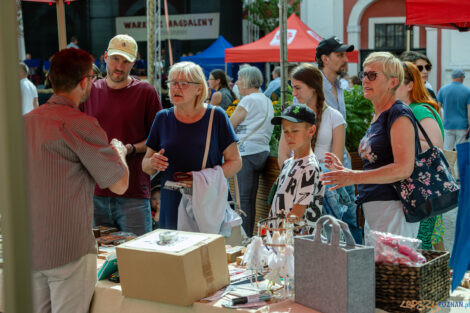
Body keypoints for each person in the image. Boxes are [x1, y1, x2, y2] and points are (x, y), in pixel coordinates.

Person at [24, 48, 129, 313]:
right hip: (68, 248)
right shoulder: (79, 124)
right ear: (84, 82)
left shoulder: (23, 124)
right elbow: (119, 184)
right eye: (92, 78)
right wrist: (120, 152)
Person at [321, 52, 419, 239]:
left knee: (391, 266)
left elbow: (404, 168)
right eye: (363, 74)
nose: (365, 80)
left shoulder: (398, 113)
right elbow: (378, 163)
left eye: (372, 75)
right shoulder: (380, 114)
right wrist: (343, 171)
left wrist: (353, 176)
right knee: (377, 265)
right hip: (376, 205)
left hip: (394, 205)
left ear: (392, 82)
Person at [142, 61, 242, 229]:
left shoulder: (215, 116)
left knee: (207, 253)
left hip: (207, 202)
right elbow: (146, 165)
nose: (175, 88)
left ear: (199, 88)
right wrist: (152, 163)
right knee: (174, 253)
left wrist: (202, 180)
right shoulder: (163, 118)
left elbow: (236, 162)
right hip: (171, 203)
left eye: (183, 83)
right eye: (172, 83)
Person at [82, 34, 162, 236]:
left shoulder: (146, 92)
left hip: (133, 192)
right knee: (100, 259)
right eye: (116, 59)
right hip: (95, 192)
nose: (119, 66)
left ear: (134, 62)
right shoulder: (88, 91)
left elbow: (157, 138)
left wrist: (131, 149)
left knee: (138, 258)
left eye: (126, 61)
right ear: (105, 57)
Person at [276, 63, 361, 242]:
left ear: (314, 87)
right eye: (293, 88)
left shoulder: (334, 117)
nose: (294, 93)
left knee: (325, 242)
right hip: (294, 186)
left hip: (325, 191)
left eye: (298, 88)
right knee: (292, 239)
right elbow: (283, 156)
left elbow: (335, 161)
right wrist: (292, 177)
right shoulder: (290, 116)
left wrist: (312, 180)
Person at [396, 61, 445, 250]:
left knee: (420, 247)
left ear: (410, 85)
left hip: (423, 190)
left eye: (396, 81)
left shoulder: (419, 109)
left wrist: (398, 144)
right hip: (417, 189)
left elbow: (435, 145)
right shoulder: (404, 109)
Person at [229, 66, 274, 237]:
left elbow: (229, 125)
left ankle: (244, 239)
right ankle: (249, 236)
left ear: (247, 80)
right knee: (251, 201)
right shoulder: (266, 99)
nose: (237, 83)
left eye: (239, 79)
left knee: (243, 202)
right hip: (262, 152)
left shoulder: (247, 100)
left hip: (246, 152)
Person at [269, 103, 324, 232]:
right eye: (286, 131)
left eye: (295, 131)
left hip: (296, 243)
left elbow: (297, 213)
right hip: (279, 240)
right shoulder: (288, 163)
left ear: (311, 130)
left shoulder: (309, 167)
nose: (289, 136)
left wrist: (277, 235)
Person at [437, 69, 470, 152]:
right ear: (461, 78)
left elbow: (438, 107)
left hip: (448, 125)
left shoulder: (443, 90)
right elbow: (469, 110)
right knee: (462, 151)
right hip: (462, 126)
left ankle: (448, 165)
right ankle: (461, 165)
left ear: (452, 77)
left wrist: (441, 121)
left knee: (448, 150)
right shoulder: (467, 91)